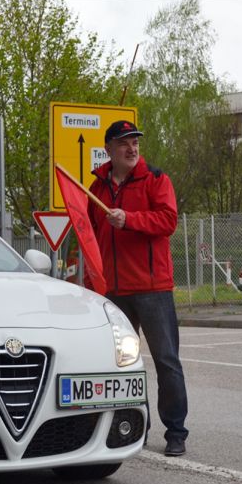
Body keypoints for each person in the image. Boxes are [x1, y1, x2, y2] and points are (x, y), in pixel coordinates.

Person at [87, 120, 189, 457]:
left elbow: (168, 221)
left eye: (135, 143)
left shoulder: (156, 180)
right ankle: (133, 428)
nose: (132, 149)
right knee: (123, 366)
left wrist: (129, 219)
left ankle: (176, 431)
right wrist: (89, 282)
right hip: (113, 292)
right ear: (109, 150)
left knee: (166, 361)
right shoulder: (96, 187)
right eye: (124, 143)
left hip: (152, 288)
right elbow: (89, 236)